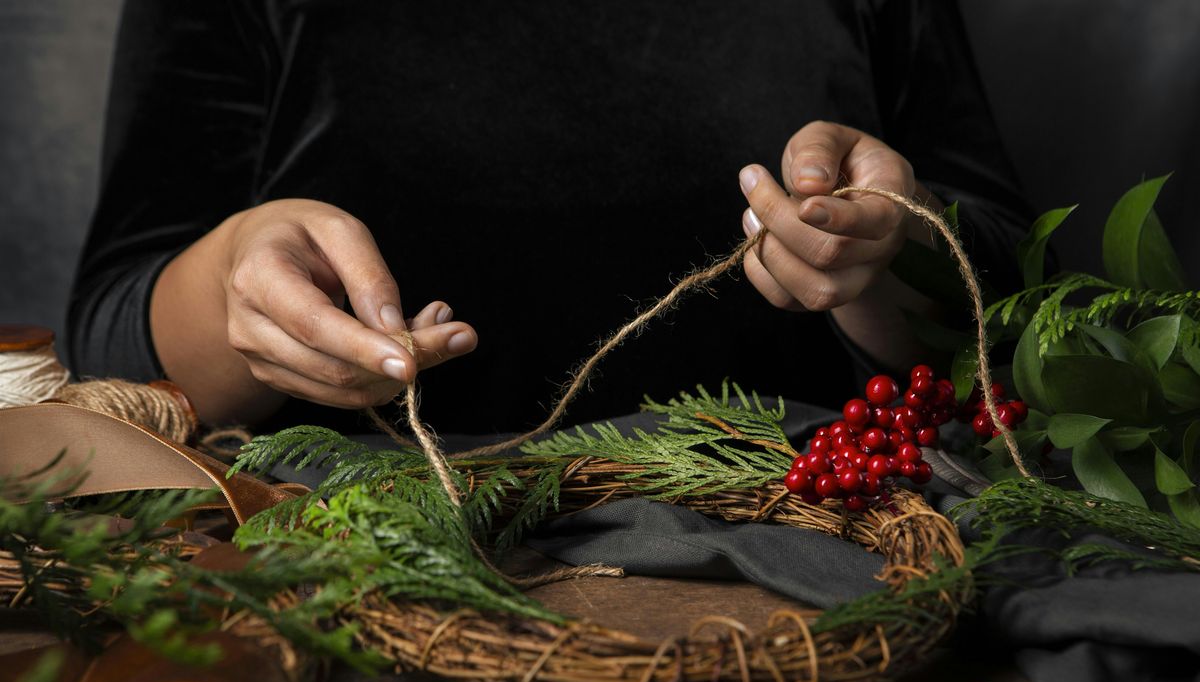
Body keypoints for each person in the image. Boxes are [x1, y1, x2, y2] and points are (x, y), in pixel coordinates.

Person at [69, 0, 1031, 434]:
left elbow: (1024, 297)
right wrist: (238, 287)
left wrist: (889, 246)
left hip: (832, 562)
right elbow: (112, 332)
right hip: (356, 585)